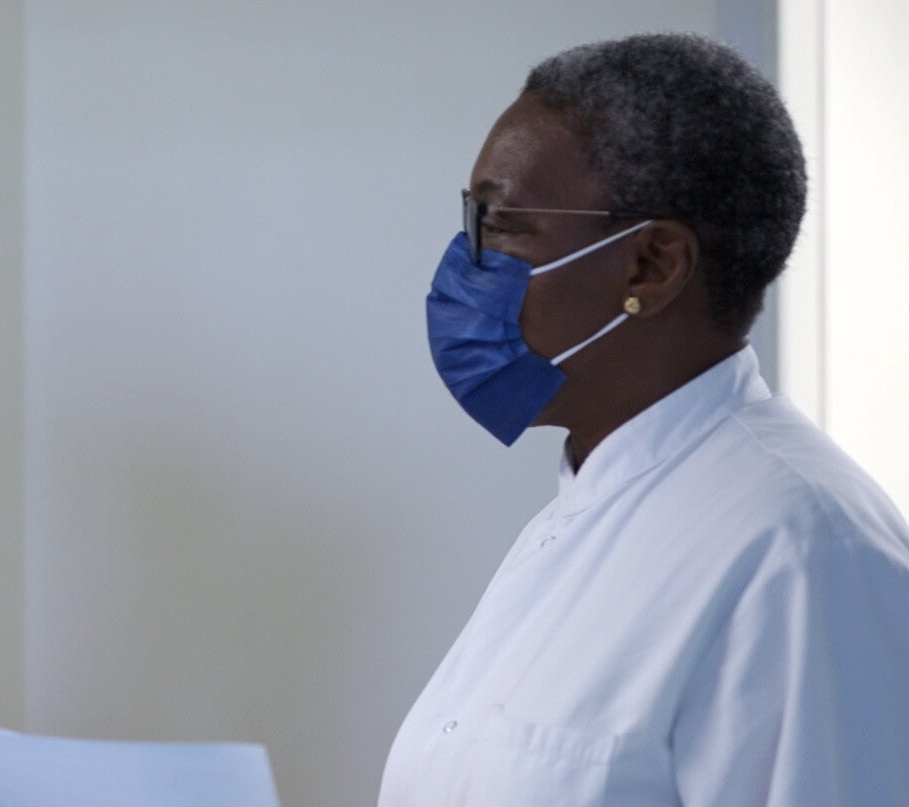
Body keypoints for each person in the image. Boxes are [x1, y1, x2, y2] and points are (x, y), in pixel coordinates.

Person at [389, 33, 909, 804]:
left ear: (652, 265)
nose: (464, 264)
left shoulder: (803, 550)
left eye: (499, 224)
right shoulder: (585, 515)